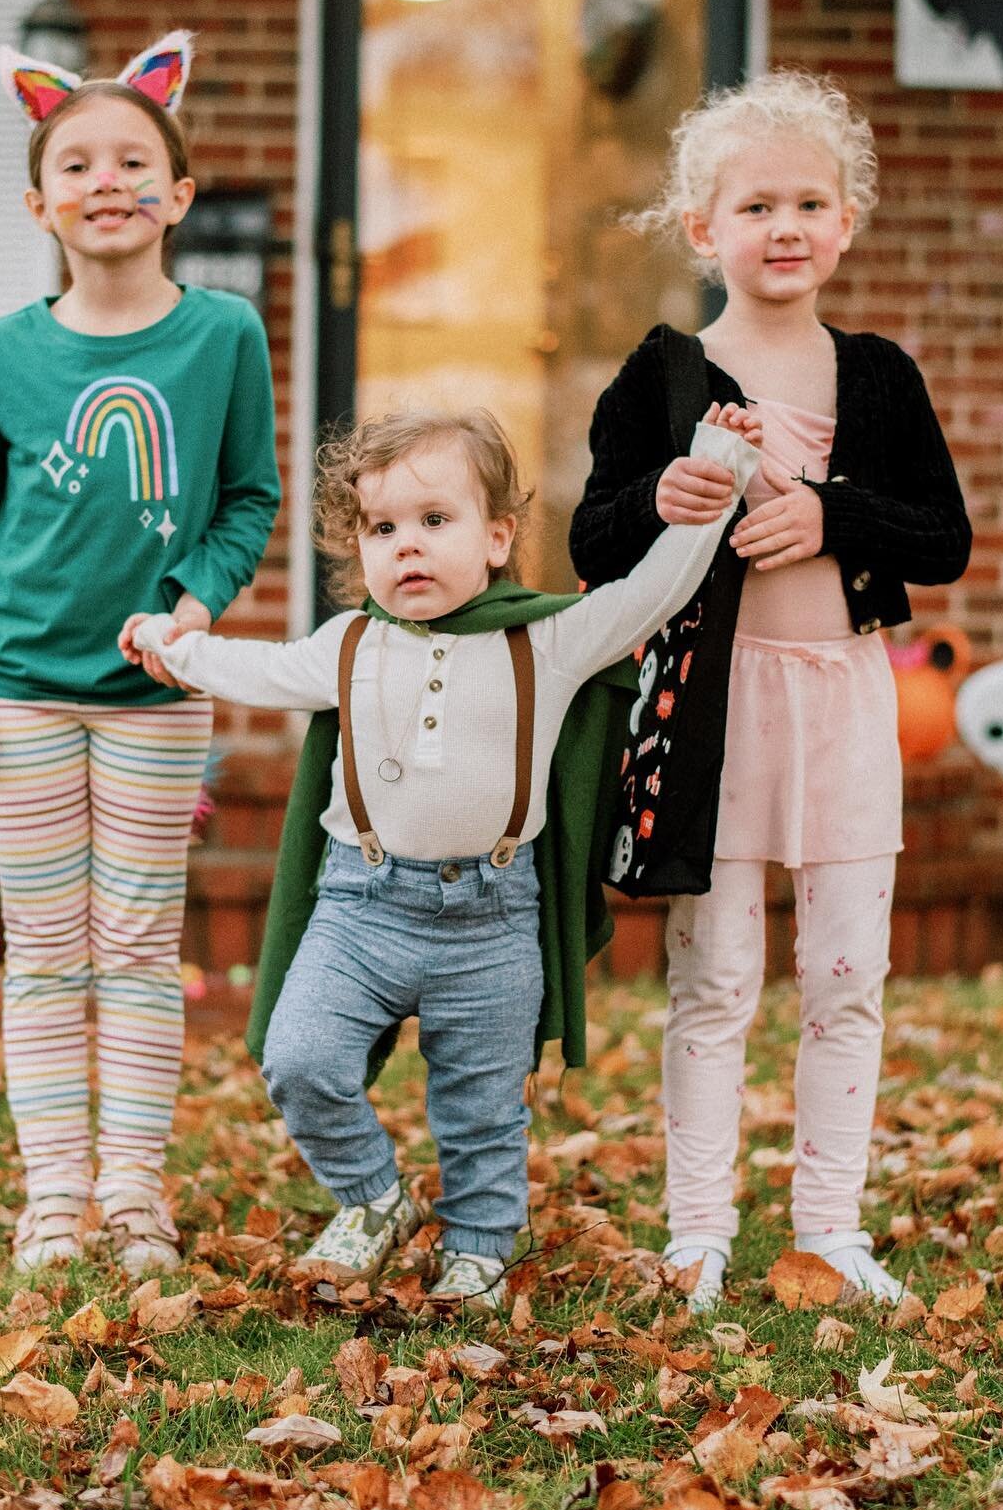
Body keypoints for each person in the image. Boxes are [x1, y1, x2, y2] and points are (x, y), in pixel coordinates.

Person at [122, 402, 760, 1309]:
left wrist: (722, 468)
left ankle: (477, 1247)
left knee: (483, 1107)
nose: (406, 547)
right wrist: (168, 645)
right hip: (360, 904)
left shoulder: (545, 638)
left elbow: (651, 594)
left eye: (434, 521)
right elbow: (249, 670)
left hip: (491, 921)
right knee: (301, 1057)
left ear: (498, 537)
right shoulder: (348, 645)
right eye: (382, 528)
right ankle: (374, 1197)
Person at [570, 70, 971, 1309]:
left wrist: (829, 515)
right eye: (755, 206)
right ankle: (698, 1227)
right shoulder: (664, 374)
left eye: (810, 202)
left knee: (849, 974)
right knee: (717, 975)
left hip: (845, 701)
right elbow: (595, 538)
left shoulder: (882, 376)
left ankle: (832, 1224)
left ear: (846, 223)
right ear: (706, 229)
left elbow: (942, 537)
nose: (784, 226)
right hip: (711, 710)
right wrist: (661, 501)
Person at [0, 33, 281, 1275]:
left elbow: (247, 497)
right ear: (40, 201)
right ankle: (54, 1195)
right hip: (16, 693)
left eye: (136, 160)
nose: (108, 179)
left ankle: (133, 1194)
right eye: (79, 162)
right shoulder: (7, 352)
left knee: (132, 948)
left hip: (155, 698)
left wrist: (194, 604)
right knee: (48, 950)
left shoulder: (223, 334)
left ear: (179, 193)